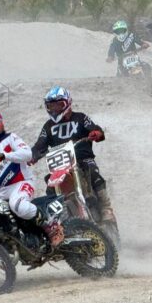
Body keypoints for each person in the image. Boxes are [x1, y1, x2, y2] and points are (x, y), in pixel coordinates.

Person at [0, 110, 64, 247]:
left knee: (18, 205)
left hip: (21, 183)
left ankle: (51, 226)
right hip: (1, 192)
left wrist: (5, 155)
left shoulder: (10, 138)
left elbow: (28, 154)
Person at [30, 86, 117, 232]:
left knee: (94, 174)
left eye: (59, 105)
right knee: (50, 188)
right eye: (51, 106)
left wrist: (96, 133)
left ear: (68, 103)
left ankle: (106, 209)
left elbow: (94, 128)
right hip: (60, 165)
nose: (55, 109)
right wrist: (32, 156)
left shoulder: (80, 118)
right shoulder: (48, 126)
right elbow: (40, 145)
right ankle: (56, 223)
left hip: (83, 159)